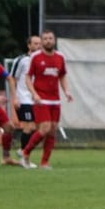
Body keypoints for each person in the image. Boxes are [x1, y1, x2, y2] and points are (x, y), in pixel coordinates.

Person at [21, 30, 71, 169]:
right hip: (41, 99)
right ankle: (25, 153)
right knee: (44, 128)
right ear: (42, 42)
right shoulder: (36, 57)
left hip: (55, 99)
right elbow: (27, 77)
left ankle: (44, 162)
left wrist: (66, 91)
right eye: (45, 39)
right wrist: (34, 94)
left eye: (50, 38)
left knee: (52, 130)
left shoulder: (60, 57)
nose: (48, 41)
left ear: (54, 41)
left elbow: (62, 76)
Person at [8, 34, 42, 168]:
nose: (38, 46)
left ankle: (23, 152)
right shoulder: (22, 60)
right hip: (24, 98)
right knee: (28, 127)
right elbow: (11, 78)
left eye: (39, 44)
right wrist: (14, 97)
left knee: (37, 128)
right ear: (29, 45)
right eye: (35, 43)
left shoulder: (41, 61)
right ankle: (24, 156)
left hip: (35, 100)